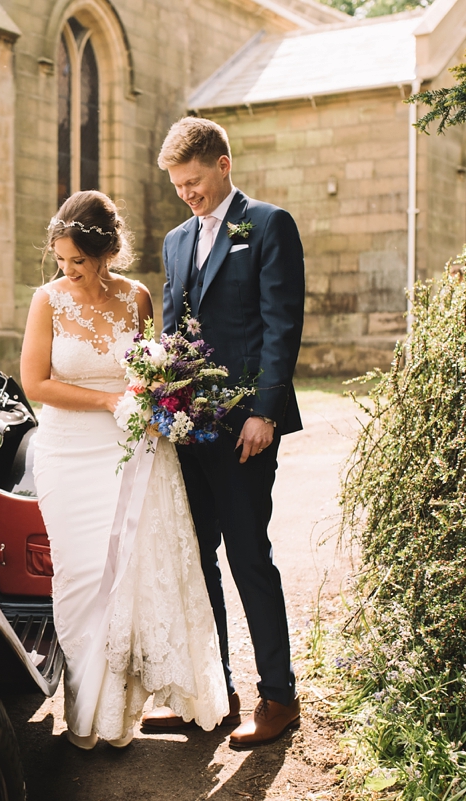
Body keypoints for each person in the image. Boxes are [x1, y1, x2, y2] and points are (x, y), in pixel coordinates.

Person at [20, 189, 230, 749]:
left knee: (131, 575)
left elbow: (146, 372)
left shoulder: (137, 298)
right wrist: (109, 401)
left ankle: (117, 715)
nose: (68, 271)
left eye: (78, 261)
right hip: (68, 453)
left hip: (131, 452)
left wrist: (157, 400)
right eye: (61, 261)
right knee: (80, 576)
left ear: (107, 251)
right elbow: (34, 383)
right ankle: (84, 712)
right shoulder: (48, 301)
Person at [154, 117, 305, 748]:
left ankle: (279, 697)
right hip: (188, 430)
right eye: (177, 185)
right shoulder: (174, 240)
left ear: (224, 164)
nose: (187, 193)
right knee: (197, 561)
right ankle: (215, 690)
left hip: (246, 427)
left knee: (248, 556)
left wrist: (264, 412)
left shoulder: (269, 226)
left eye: (194, 181)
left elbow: (281, 323)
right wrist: (160, 407)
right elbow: (172, 333)